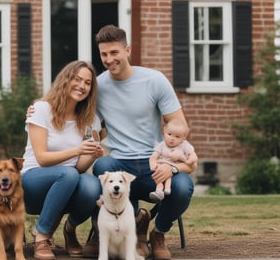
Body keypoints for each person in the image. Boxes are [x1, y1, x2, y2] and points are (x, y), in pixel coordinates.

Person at [83, 24, 198, 260]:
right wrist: (40, 108)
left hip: (154, 164)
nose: (109, 59)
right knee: (104, 167)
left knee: (183, 186)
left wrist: (171, 165)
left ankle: (158, 233)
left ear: (127, 50)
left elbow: (179, 125)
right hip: (120, 165)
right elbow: (80, 115)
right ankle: (134, 228)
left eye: (114, 52)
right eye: (104, 54)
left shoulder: (154, 80)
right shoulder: (99, 86)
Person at [21, 61, 103, 260]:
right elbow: (41, 158)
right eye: (77, 79)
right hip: (32, 182)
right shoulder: (41, 110)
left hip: (66, 183)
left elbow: (78, 168)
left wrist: (91, 154)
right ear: (65, 80)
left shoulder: (89, 120)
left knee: (92, 185)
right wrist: (77, 149)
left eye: (87, 82)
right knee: (68, 174)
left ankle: (70, 228)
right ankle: (41, 237)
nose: (81, 86)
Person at [148, 118, 197, 202]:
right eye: (169, 134)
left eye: (177, 136)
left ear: (183, 138)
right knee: (160, 175)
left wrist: (189, 161)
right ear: (164, 131)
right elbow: (153, 157)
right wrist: (153, 164)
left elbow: (194, 157)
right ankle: (159, 191)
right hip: (162, 165)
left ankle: (167, 189)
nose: (172, 138)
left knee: (169, 176)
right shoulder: (162, 145)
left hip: (175, 167)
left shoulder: (184, 145)